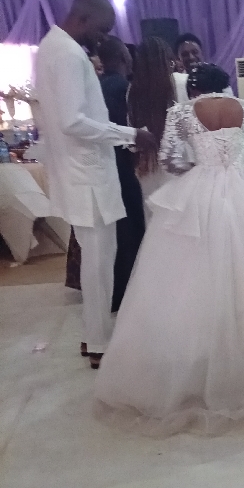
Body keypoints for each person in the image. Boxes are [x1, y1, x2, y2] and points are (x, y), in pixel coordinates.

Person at [95, 63, 244, 434]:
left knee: (191, 278)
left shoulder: (181, 113)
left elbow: (169, 160)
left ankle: (203, 359)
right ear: (226, 84)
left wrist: (198, 168)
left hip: (201, 190)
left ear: (193, 89)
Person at [34, 0, 156, 368]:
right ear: (82, 19)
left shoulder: (50, 47)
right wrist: (130, 134)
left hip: (77, 169)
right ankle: (100, 342)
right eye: (101, 31)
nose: (101, 40)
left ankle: (93, 334)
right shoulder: (69, 54)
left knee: (96, 258)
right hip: (87, 173)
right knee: (100, 260)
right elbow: (73, 121)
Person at [98, 36, 146, 312]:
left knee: (112, 232)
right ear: (124, 58)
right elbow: (130, 128)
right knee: (130, 228)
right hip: (122, 164)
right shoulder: (124, 88)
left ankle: (112, 293)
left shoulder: (96, 85)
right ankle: (128, 294)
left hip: (102, 165)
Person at [128, 37, 176, 213]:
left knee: (154, 216)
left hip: (146, 164)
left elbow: (132, 136)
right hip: (175, 161)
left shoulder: (132, 91)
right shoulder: (175, 85)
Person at [172, 32, 204, 102]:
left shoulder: (215, 77)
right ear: (178, 58)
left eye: (195, 52)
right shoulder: (176, 83)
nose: (191, 57)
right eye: (185, 54)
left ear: (202, 53)